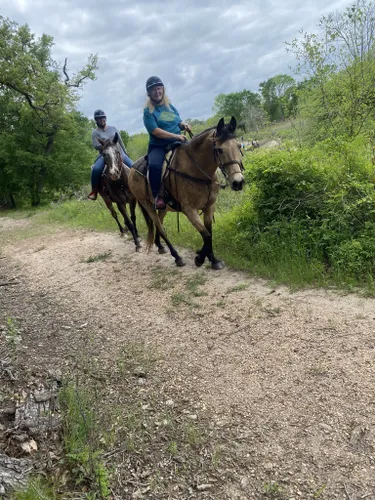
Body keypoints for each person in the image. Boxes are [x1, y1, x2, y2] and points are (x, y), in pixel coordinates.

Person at [143, 76, 192, 210]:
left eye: (159, 88)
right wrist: (176, 136)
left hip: (178, 141)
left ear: (163, 90)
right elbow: (155, 131)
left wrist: (184, 125)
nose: (157, 92)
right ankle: (158, 196)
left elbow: (178, 121)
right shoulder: (148, 112)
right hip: (159, 146)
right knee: (154, 166)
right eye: (153, 90)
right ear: (149, 93)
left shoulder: (168, 107)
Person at [88, 109, 133, 200]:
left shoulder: (113, 129)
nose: (102, 120)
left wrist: (125, 152)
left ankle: (142, 185)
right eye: (99, 119)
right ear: (96, 120)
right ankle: (94, 191)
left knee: (134, 166)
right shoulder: (95, 133)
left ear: (105, 118)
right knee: (96, 169)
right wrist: (107, 147)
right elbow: (95, 145)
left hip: (119, 153)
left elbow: (120, 141)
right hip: (105, 155)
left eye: (103, 118)